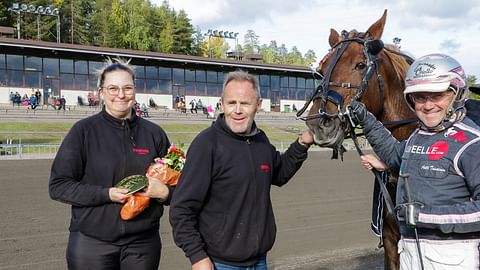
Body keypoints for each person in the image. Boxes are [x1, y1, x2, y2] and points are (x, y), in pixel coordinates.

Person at [169, 70, 314, 270]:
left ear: (258, 105)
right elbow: (181, 208)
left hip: (259, 261)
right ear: (222, 104)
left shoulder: (260, 140)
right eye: (231, 103)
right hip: (219, 263)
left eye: (244, 103)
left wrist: (303, 143)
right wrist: (197, 256)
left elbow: (279, 173)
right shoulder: (207, 145)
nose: (237, 110)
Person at [348, 53, 480, 270]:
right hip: (410, 254)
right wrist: (367, 120)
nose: (428, 105)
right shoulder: (418, 136)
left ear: (456, 94)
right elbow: (393, 154)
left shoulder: (472, 145)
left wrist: (424, 216)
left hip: (453, 258)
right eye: (420, 97)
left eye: (437, 96)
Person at [49, 58, 172, 270]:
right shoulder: (83, 131)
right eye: (113, 88)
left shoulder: (154, 134)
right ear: (101, 93)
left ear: (135, 90)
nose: (121, 95)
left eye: (127, 88)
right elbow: (59, 186)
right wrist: (106, 194)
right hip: (92, 243)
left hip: (142, 245)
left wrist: (165, 193)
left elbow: (180, 186)